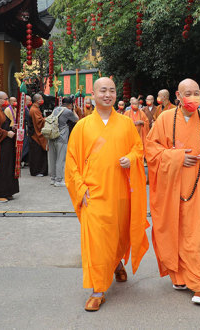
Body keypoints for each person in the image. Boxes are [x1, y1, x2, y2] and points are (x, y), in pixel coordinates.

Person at [65, 77, 148, 312]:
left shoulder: (126, 123)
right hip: (93, 194)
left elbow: (138, 149)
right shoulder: (82, 126)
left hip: (120, 191)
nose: (108, 94)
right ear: (94, 94)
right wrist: (80, 189)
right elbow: (71, 162)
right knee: (97, 241)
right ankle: (98, 290)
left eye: (112, 91)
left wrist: (130, 159)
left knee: (120, 234)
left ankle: (117, 262)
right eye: (103, 90)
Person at [146, 78, 200, 305]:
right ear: (178, 96)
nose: (192, 97)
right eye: (187, 93)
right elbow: (151, 151)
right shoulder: (163, 120)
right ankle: (180, 277)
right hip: (172, 191)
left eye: (196, 93)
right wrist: (178, 157)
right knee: (176, 233)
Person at [48, 97, 79, 187]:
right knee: (60, 159)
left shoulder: (56, 109)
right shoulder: (67, 111)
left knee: (52, 158)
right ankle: (59, 180)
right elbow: (76, 119)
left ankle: (53, 179)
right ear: (70, 104)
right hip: (61, 138)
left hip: (52, 136)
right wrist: (73, 110)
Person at [29, 94, 48, 177]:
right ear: (37, 100)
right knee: (37, 154)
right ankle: (37, 171)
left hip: (35, 134)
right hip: (36, 135)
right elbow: (39, 122)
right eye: (41, 98)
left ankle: (40, 170)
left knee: (39, 153)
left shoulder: (36, 108)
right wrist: (45, 119)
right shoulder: (34, 109)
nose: (42, 100)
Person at [21, 95, 32, 166]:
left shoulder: (27, 108)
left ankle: (26, 160)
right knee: (25, 145)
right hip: (25, 129)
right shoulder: (24, 109)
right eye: (29, 100)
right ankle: (20, 159)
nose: (30, 102)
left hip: (26, 128)